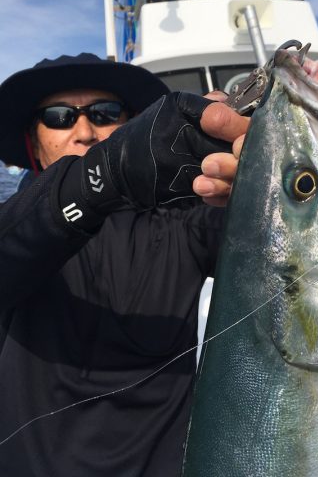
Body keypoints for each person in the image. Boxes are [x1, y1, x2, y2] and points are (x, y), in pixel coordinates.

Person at [0, 53, 249, 476]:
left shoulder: (186, 224)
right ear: (33, 143)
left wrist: (255, 164)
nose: (83, 131)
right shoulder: (15, 226)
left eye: (105, 113)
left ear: (130, 124)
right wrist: (104, 176)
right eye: (59, 117)